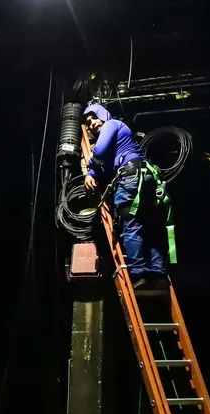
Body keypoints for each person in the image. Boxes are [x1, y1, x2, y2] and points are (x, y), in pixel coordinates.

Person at [83, 103, 172, 291]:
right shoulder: (117, 145)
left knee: (131, 224)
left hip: (131, 178)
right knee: (151, 225)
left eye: (94, 118)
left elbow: (98, 154)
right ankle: (158, 273)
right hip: (146, 177)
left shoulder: (112, 124)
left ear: (103, 115)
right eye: (88, 122)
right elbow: (104, 169)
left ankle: (138, 273)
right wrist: (92, 174)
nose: (92, 124)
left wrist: (90, 163)